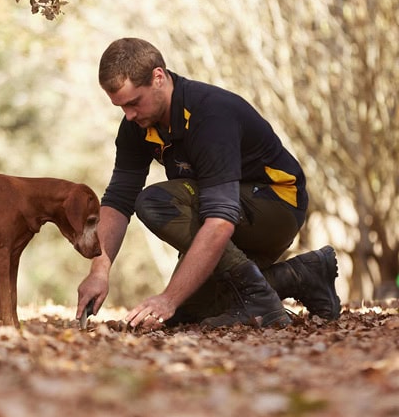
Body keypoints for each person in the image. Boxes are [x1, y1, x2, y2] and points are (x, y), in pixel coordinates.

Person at [76, 37, 341, 330]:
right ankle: (303, 274)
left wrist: (167, 298)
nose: (129, 115)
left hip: (277, 205)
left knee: (155, 202)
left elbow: (220, 220)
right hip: (226, 213)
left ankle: (259, 299)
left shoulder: (210, 115)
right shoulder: (136, 126)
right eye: (121, 107)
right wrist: (100, 270)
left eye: (134, 102)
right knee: (192, 309)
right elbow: (117, 200)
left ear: (158, 78)